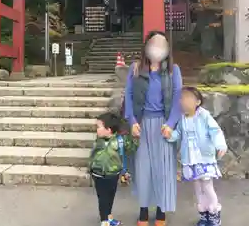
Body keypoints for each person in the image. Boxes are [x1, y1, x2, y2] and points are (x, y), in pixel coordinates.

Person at [124, 30, 183, 226]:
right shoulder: (135, 69)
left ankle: (160, 210)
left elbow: (177, 101)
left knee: (163, 170)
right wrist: (132, 121)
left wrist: (171, 124)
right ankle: (142, 210)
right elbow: (129, 98)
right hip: (141, 125)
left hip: (163, 126)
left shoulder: (173, 71)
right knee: (143, 169)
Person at [166, 86, 227, 226]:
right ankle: (204, 214)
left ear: (197, 102)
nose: (183, 101)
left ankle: (214, 213)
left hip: (204, 157)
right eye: (182, 98)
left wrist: (220, 145)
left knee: (207, 185)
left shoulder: (204, 115)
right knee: (197, 187)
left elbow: (215, 131)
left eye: (187, 98)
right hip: (190, 159)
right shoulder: (182, 119)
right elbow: (178, 134)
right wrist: (170, 135)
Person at [89, 112, 138, 226]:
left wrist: (135, 138)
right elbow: (92, 155)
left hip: (113, 174)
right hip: (98, 174)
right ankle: (104, 221)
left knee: (110, 197)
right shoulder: (99, 141)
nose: (96, 129)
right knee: (103, 199)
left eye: (99, 127)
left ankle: (109, 217)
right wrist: (90, 167)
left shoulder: (120, 141)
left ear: (109, 129)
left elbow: (131, 148)